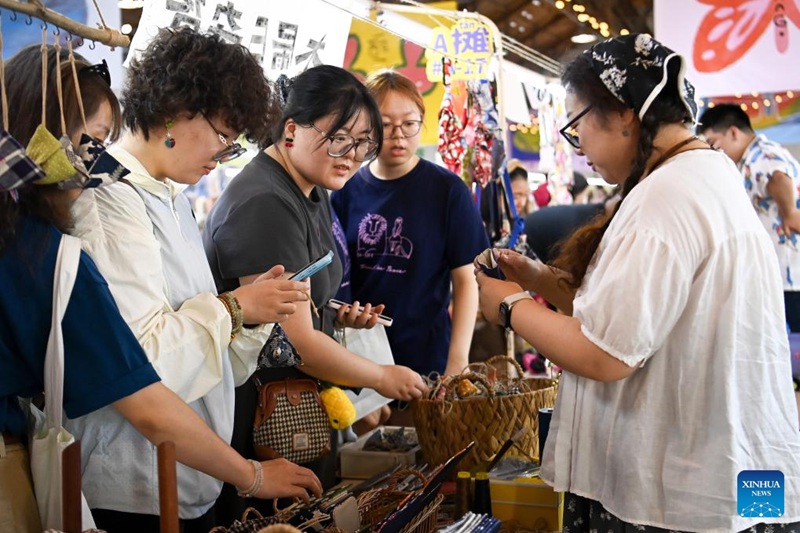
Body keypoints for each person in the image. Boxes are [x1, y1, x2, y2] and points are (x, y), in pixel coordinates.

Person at [475, 33, 800, 532]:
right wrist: (539, 279)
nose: (578, 147)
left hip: (677, 493)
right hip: (732, 468)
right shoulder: (703, 172)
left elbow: (607, 354)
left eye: (577, 125)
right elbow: (638, 311)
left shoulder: (666, 196)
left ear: (624, 112)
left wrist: (511, 306)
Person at [0, 44, 319, 533]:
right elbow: (142, 377)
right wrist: (234, 309)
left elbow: (199, 366)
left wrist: (249, 316)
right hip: (136, 485)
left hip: (184, 475)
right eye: (224, 136)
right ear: (175, 111)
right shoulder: (97, 209)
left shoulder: (173, 201)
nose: (224, 155)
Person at [203, 65, 428, 519]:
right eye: (339, 139)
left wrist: (333, 312)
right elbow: (297, 342)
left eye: (363, 143)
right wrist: (381, 376)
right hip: (260, 419)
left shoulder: (310, 185)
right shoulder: (266, 202)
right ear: (291, 130)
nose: (352, 156)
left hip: (292, 407)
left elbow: (297, 300)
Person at [330, 69, 488, 385]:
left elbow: (466, 280)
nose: (399, 135)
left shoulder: (447, 191)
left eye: (409, 124)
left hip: (428, 362)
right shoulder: (345, 189)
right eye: (386, 125)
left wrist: (457, 363)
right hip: (362, 359)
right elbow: (339, 275)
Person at [698, 104, 800, 332]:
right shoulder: (751, 157)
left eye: (714, 143)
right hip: (784, 274)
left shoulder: (760, 155)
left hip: (789, 274)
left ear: (733, 132)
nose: (715, 151)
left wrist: (790, 212)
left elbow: (778, 177)